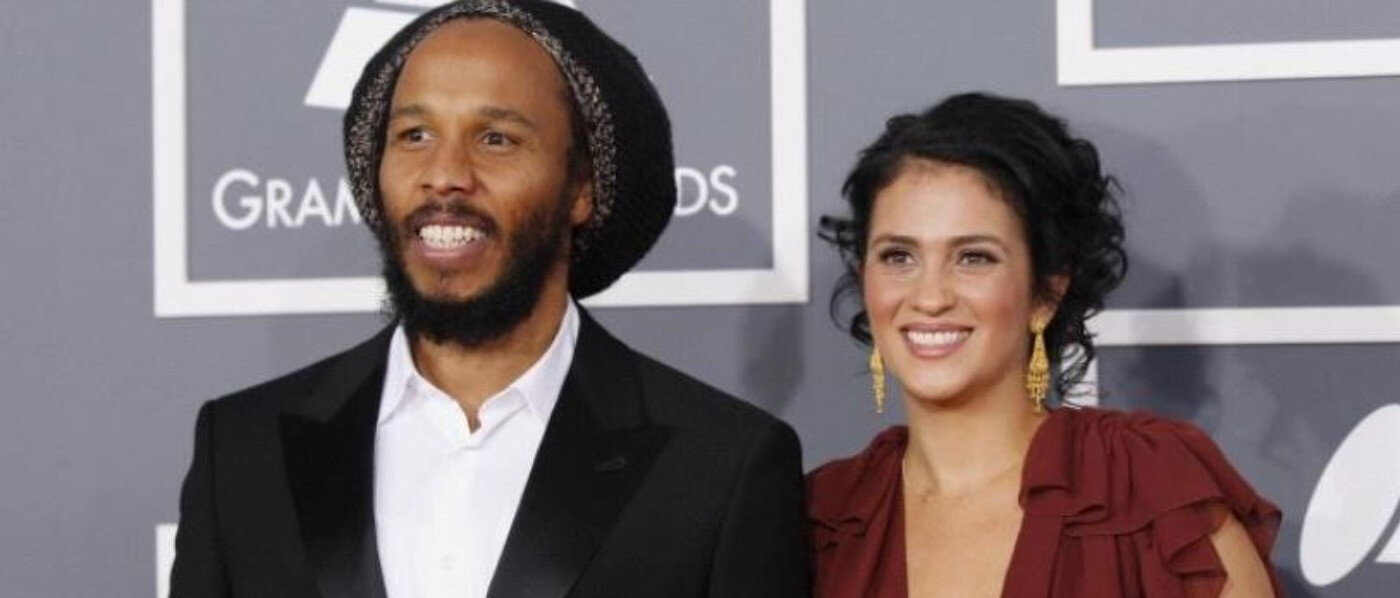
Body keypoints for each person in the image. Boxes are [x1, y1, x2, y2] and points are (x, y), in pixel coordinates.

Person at [169, 2, 809, 596]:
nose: (445, 174)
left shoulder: (719, 468)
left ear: (582, 188)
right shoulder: (243, 451)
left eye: (496, 138)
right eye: (414, 135)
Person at [807, 93, 1280, 597]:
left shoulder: (1146, 487)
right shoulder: (820, 520)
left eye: (974, 257)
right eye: (898, 256)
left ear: (1046, 293)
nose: (930, 297)